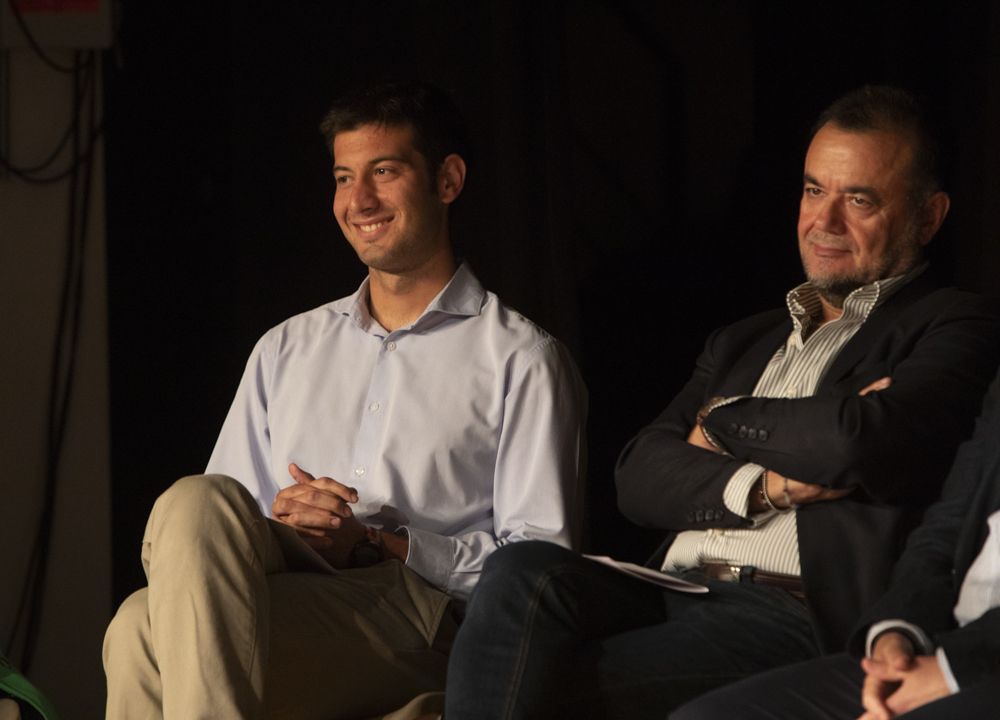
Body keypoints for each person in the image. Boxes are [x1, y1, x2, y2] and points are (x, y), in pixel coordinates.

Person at [442, 85, 1000, 719]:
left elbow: (858, 441)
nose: (825, 221)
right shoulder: (747, 338)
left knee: (521, 683)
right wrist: (772, 486)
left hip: (788, 606)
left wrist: (719, 422)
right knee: (520, 572)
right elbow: (638, 475)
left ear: (928, 217)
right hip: (671, 584)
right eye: (814, 190)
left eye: (860, 200)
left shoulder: (954, 324)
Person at [102, 81, 587, 720]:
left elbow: (540, 570)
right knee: (195, 502)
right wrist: (282, 517)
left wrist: (377, 544)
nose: (358, 201)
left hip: (420, 615)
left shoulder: (521, 358)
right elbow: (211, 531)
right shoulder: (285, 347)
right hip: (288, 582)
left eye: (383, 173)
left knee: (140, 629)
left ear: (447, 181)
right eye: (343, 177)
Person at [670, 369, 1000, 720]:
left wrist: (714, 417)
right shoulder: (733, 342)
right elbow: (946, 526)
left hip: (979, 656)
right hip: (939, 642)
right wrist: (896, 632)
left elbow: (850, 440)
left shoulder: (953, 321)